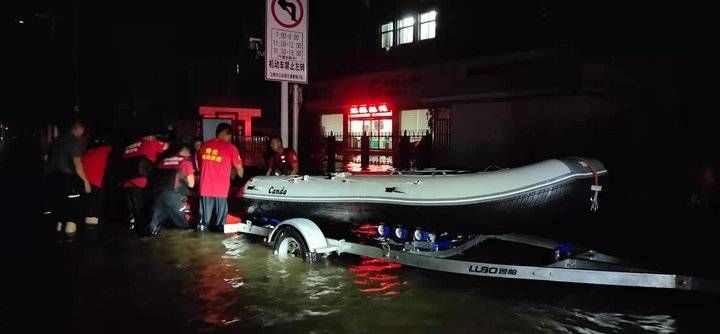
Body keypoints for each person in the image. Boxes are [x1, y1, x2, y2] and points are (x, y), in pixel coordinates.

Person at [45, 119, 90, 236]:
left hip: (55, 176)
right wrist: (85, 181)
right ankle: (70, 233)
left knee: (60, 203)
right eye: (83, 131)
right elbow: (77, 163)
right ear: (79, 128)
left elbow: (50, 158)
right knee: (72, 205)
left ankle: (59, 230)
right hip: (68, 177)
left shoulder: (58, 140)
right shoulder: (73, 141)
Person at [197, 123, 244, 232]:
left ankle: (201, 243)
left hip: (205, 188)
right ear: (226, 133)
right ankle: (218, 245)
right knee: (220, 224)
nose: (230, 139)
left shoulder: (204, 146)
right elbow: (240, 169)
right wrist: (240, 177)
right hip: (221, 190)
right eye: (230, 136)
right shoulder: (231, 148)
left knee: (203, 223)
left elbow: (200, 166)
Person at [121, 130, 168, 231]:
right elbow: (167, 147)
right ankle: (143, 233)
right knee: (142, 210)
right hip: (141, 180)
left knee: (131, 210)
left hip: (126, 181)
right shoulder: (151, 143)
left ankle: (132, 228)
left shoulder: (130, 146)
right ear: (151, 137)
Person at [147, 144, 195, 236]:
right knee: (185, 229)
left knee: (153, 229)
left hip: (158, 195)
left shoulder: (163, 161)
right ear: (183, 151)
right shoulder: (185, 162)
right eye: (189, 152)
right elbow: (191, 184)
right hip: (175, 196)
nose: (189, 155)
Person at [81, 137, 112, 226]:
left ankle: (89, 227)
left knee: (88, 205)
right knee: (95, 207)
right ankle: (92, 230)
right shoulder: (108, 150)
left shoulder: (90, 151)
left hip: (84, 179)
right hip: (96, 181)